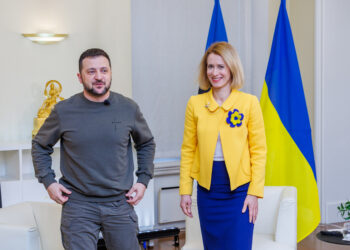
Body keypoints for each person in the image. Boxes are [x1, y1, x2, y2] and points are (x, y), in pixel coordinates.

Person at [32, 48, 155, 250]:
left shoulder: (128, 108)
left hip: (119, 203)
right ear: (80, 77)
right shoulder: (64, 111)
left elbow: (146, 143)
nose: (99, 77)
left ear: (110, 73)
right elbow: (39, 145)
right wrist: (48, 182)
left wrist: (143, 180)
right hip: (78, 205)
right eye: (91, 72)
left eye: (104, 70)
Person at [179, 42, 266, 250]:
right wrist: (185, 190)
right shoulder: (195, 104)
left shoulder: (250, 103)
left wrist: (254, 193)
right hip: (208, 191)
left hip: (239, 191)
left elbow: (259, 152)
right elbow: (188, 150)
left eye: (221, 66)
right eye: (210, 66)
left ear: (231, 68)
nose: (214, 72)